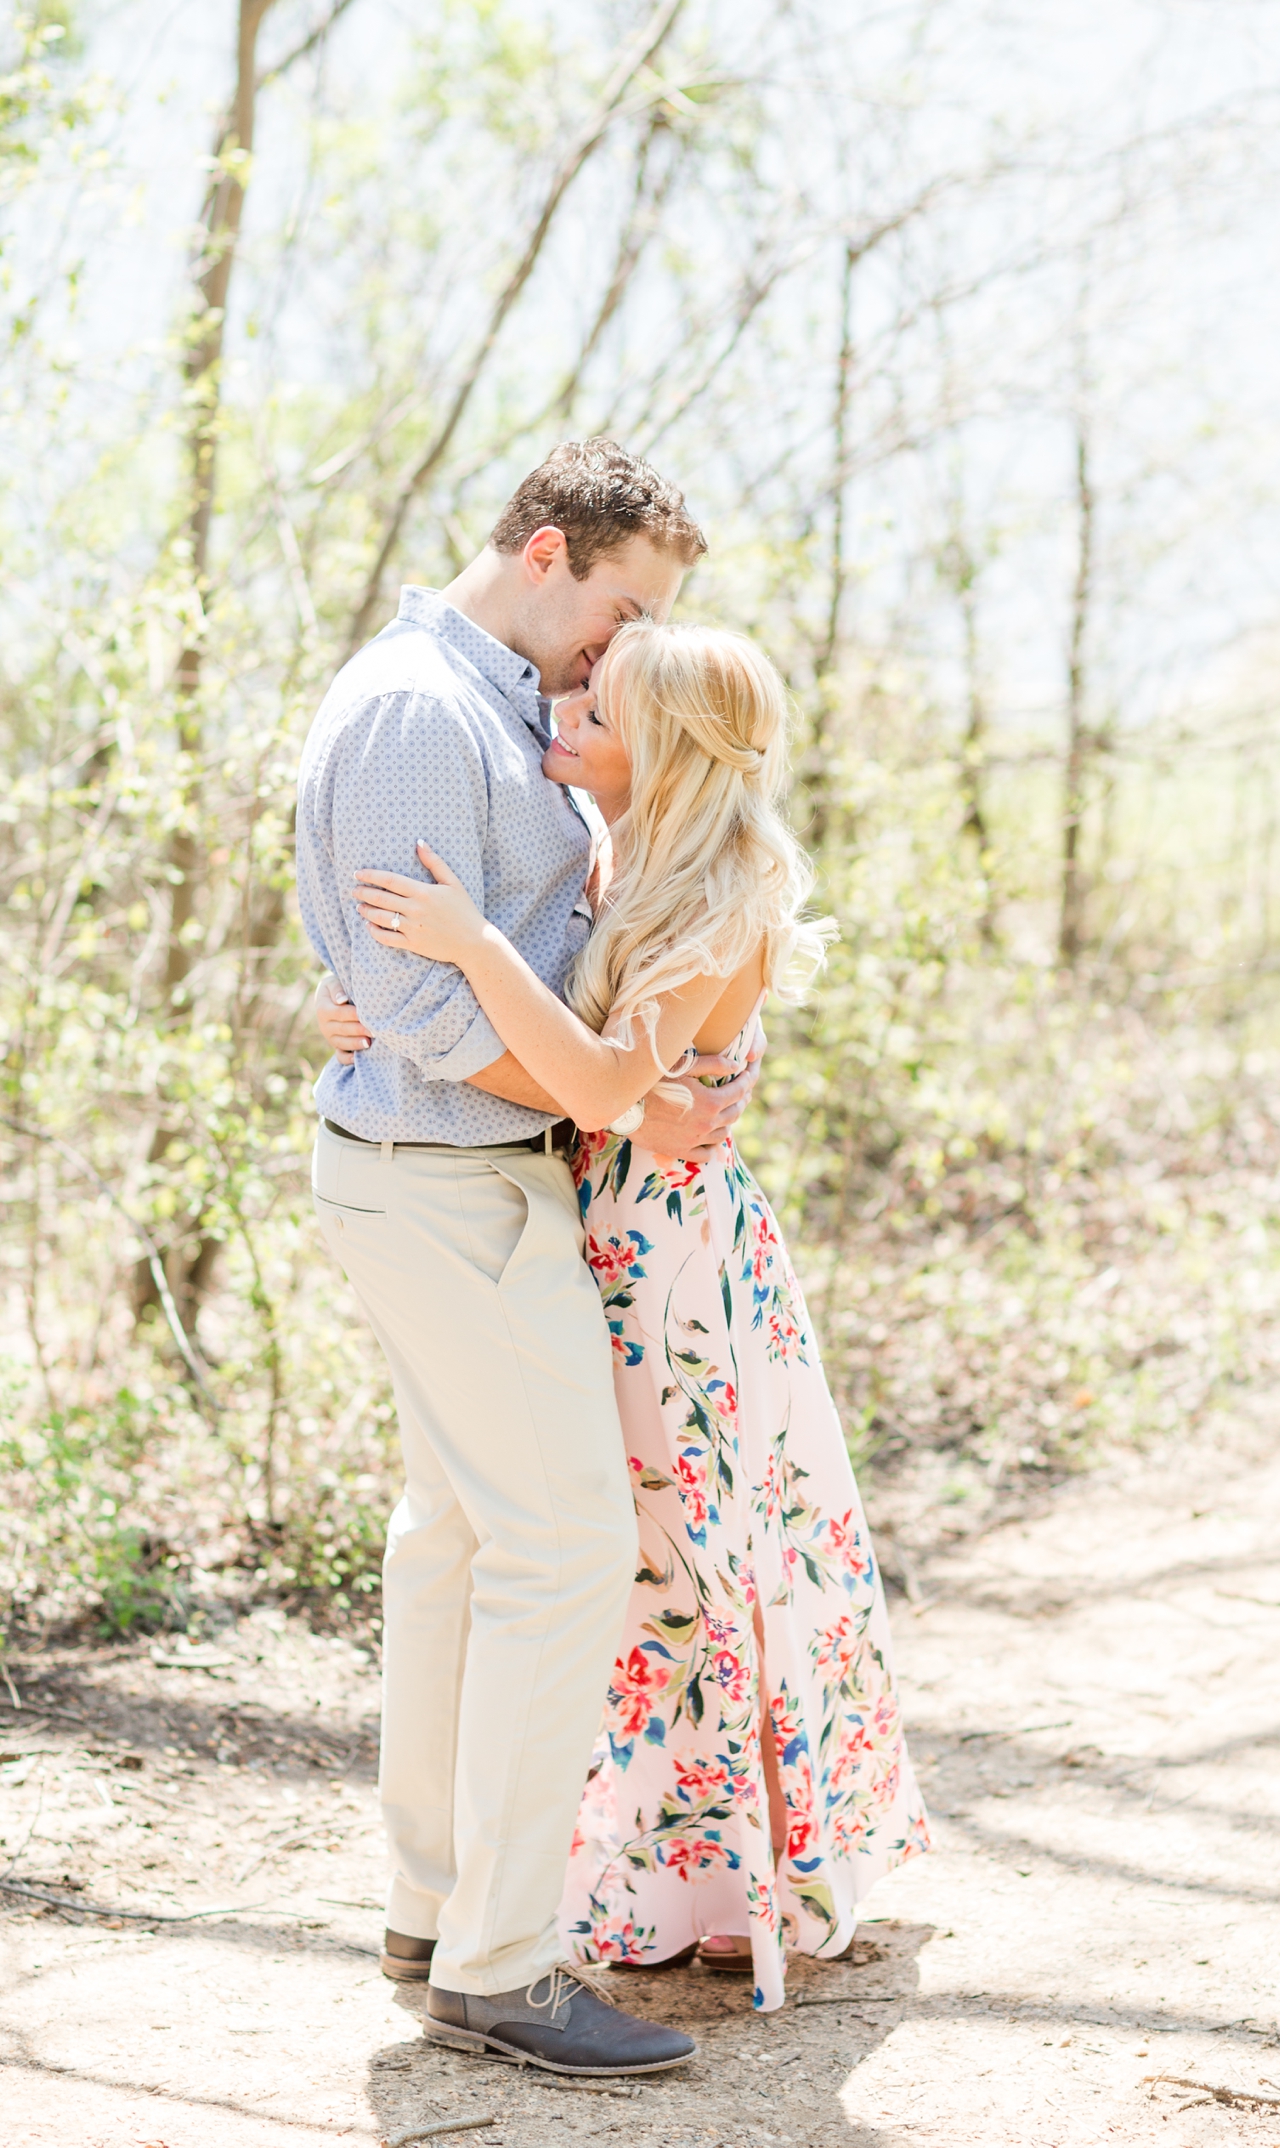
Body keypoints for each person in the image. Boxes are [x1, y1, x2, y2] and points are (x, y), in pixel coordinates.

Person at [334, 619, 929, 2015]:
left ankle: (738, 1884)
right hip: (594, 1232)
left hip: (669, 1272)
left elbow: (601, 1079)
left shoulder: (722, 893)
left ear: (657, 747)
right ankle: (653, 1875)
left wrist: (471, 953)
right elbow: (586, 1067)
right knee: (631, 1554)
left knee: (690, 1551)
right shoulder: (622, 862)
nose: (564, 715)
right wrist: (372, 1007)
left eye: (595, 709)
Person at [296, 441, 759, 2077]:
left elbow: (432, 958)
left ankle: (434, 1907)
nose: (617, 651)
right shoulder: (430, 707)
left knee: (453, 1540)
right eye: (620, 609)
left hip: (455, 1171)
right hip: (455, 1185)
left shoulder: (490, 701)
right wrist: (614, 1091)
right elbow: (424, 1004)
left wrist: (668, 1053)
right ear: (550, 549)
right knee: (563, 1546)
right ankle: (502, 1957)